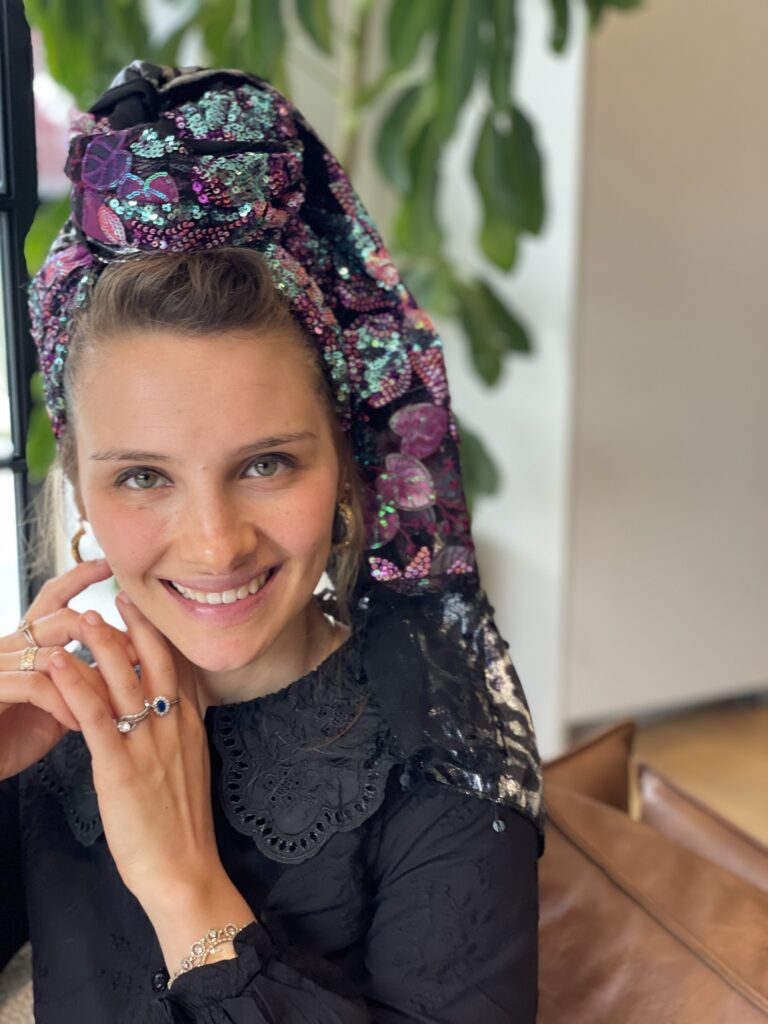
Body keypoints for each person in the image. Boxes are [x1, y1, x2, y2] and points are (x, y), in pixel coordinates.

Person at [0, 63, 544, 1023]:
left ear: (346, 463)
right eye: (143, 477)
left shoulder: (444, 746)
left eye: (266, 465)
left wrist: (184, 888)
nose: (216, 545)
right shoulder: (59, 712)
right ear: (80, 485)